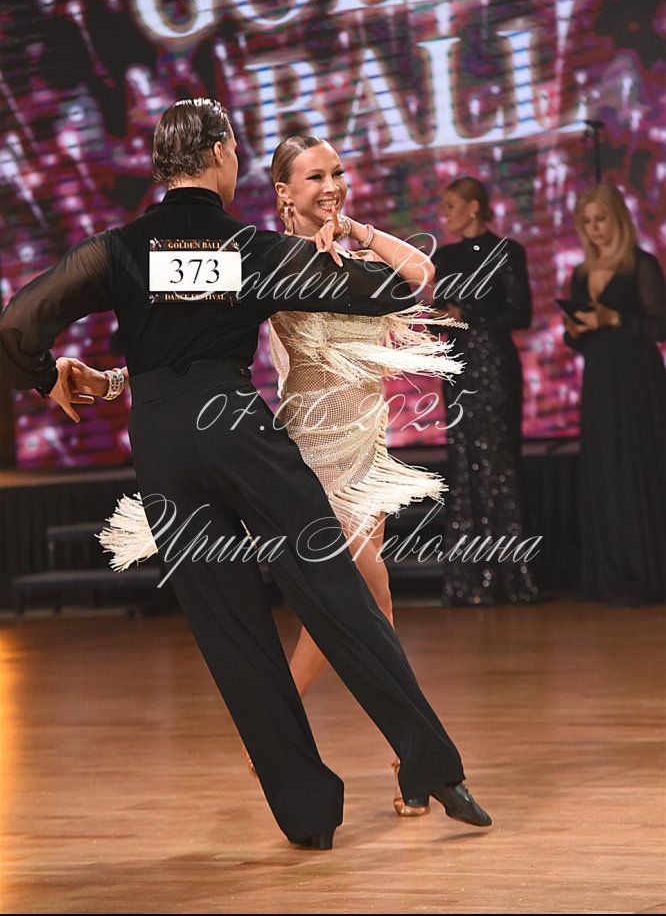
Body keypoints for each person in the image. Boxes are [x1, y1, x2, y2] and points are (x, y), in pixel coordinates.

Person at [0, 98, 491, 849]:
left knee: (232, 634)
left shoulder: (118, 249)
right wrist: (351, 241)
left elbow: (16, 323)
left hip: (160, 443)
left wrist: (47, 378)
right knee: (336, 593)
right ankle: (432, 765)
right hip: (234, 427)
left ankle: (308, 816)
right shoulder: (248, 248)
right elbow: (395, 289)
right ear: (222, 153)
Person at [90, 133, 465, 817]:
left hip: (365, 449)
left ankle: (405, 761)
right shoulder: (266, 258)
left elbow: (421, 274)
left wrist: (356, 230)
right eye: (315, 176)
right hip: (310, 453)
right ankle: (299, 724)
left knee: (371, 602)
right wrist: (117, 379)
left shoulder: (353, 258)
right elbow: (183, 336)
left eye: (338, 171)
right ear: (284, 191)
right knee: (353, 595)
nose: (332, 185)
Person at [432, 177, 539, 606]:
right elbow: (441, 313)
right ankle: (469, 581)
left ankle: (510, 578)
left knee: (499, 464)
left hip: (494, 366)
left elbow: (521, 313)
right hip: (458, 368)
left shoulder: (508, 253)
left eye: (451, 205)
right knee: (464, 463)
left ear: (474, 207)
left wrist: (469, 313)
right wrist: (439, 317)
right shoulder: (445, 256)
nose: (445, 214)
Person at [563, 181, 666, 605]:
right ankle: (613, 575)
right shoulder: (580, 273)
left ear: (618, 219)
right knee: (607, 470)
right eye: (587, 222)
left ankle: (648, 574)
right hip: (601, 380)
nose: (595, 229)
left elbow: (659, 327)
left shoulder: (640, 265)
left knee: (641, 465)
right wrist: (575, 331)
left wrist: (615, 319)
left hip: (639, 379)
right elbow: (578, 340)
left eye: (601, 219)